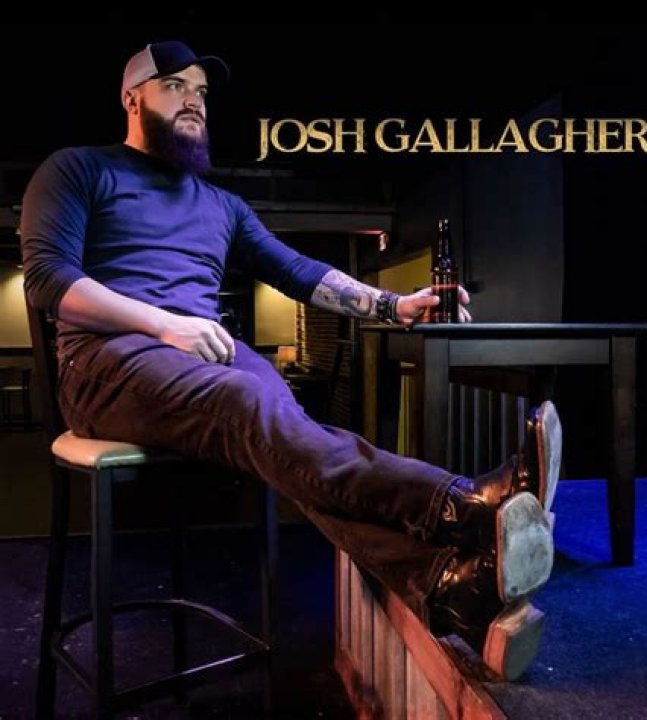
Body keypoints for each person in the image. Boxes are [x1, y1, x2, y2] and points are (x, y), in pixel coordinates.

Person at [20, 40, 562, 681]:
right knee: (255, 403)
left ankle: (449, 588)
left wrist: (394, 306)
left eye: (202, 91)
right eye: (175, 86)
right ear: (132, 98)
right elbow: (48, 280)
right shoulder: (78, 169)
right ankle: (464, 505)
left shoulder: (222, 206)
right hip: (104, 364)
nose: (194, 101)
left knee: (286, 431)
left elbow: (299, 271)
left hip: (200, 360)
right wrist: (165, 324)